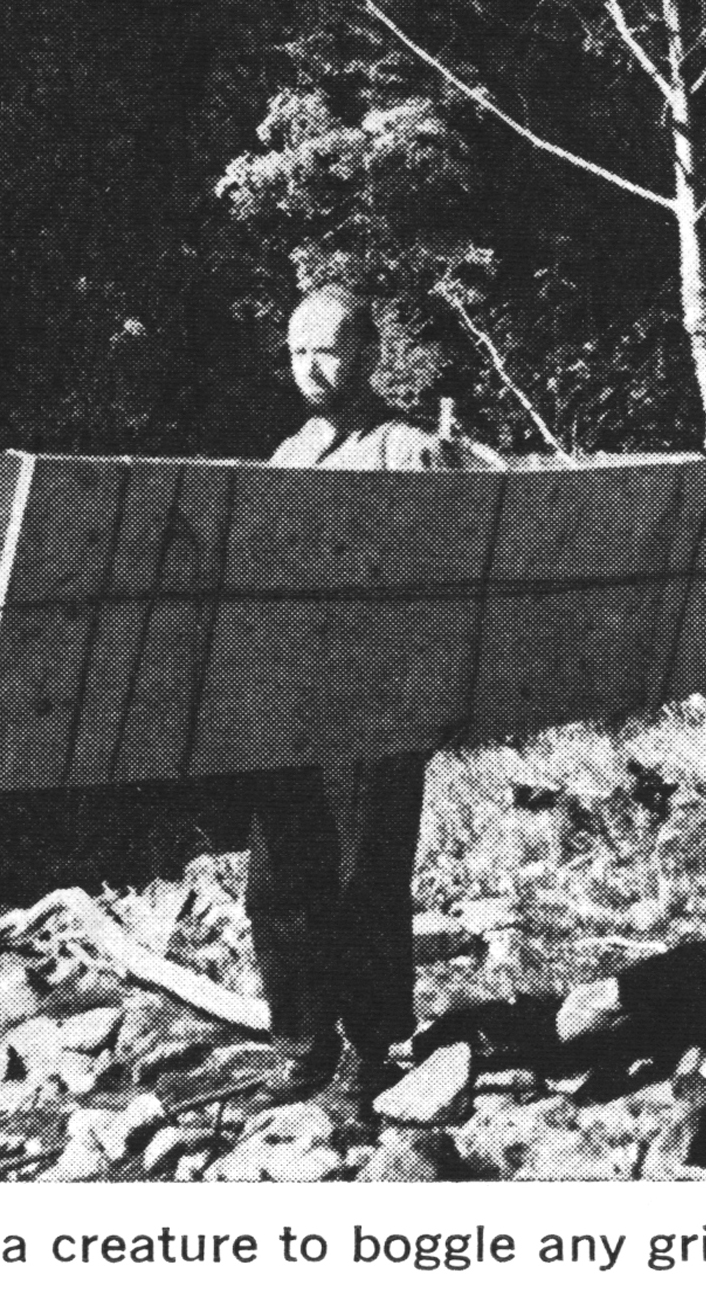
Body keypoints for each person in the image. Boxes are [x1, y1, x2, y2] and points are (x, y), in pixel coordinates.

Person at [247, 284, 491, 1105]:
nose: (312, 367)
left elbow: (452, 586)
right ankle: (302, 1043)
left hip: (380, 704)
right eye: (297, 350)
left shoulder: (407, 450)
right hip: (293, 702)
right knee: (281, 877)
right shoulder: (287, 454)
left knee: (366, 877)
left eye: (329, 347)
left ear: (370, 355)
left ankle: (373, 1046)